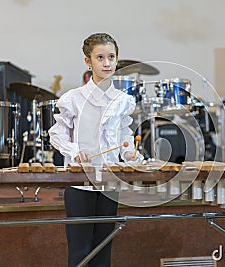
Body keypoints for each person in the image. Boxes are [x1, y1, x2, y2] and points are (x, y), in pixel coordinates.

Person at [48, 33, 142, 267]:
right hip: (80, 182)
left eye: (111, 57)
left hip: (109, 182)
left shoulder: (122, 100)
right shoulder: (74, 98)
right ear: (88, 61)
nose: (107, 63)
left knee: (103, 252)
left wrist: (129, 152)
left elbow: (123, 135)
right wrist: (74, 150)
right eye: (100, 57)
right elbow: (56, 134)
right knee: (80, 254)